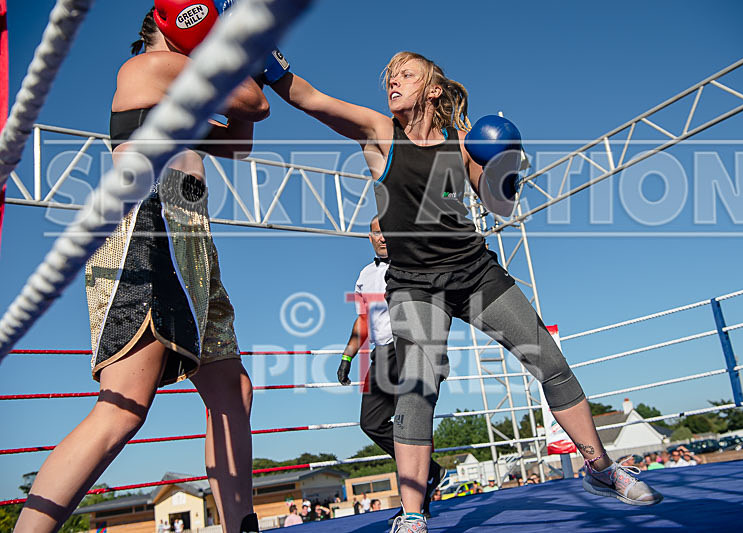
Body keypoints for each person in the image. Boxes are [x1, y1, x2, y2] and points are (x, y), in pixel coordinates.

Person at [269, 50, 663, 532]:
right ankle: (412, 515)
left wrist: (505, 164)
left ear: (432, 89)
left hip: (474, 272)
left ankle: (601, 469)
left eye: (406, 76)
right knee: (416, 389)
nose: (393, 83)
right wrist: (269, 67)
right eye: (389, 78)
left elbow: (498, 204)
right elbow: (311, 99)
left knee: (549, 360)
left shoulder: (463, 144)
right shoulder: (379, 132)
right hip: (414, 284)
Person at [13, 6, 269, 533]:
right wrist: (250, 51)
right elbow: (254, 100)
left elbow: (240, 141)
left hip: (190, 238)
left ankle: (241, 527)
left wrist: (249, 64)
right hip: (148, 225)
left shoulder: (184, 89)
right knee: (123, 407)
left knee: (231, 390)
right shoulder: (148, 68)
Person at [337, 216, 444, 522]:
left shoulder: (411, 260)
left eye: (387, 232)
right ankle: (430, 471)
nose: (382, 238)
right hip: (381, 353)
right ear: (369, 237)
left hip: (411, 345)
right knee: (370, 423)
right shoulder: (364, 275)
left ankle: (416, 500)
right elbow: (362, 320)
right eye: (376, 233)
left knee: (408, 421)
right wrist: (347, 357)